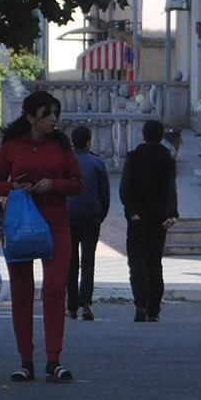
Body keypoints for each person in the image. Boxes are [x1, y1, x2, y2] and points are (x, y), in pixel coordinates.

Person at [0, 90, 82, 381]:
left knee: (55, 289)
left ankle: (53, 359)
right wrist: (13, 188)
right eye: (47, 114)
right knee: (22, 292)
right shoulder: (12, 146)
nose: (54, 119)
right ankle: (25, 360)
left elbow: (77, 182)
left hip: (55, 224)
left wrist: (52, 184)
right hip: (19, 224)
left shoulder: (61, 145)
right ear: (31, 117)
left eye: (56, 113)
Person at [119, 119, 179, 321]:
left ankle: (141, 304)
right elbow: (171, 188)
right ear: (161, 137)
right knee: (155, 262)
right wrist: (172, 213)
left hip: (138, 217)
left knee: (137, 262)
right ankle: (154, 308)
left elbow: (125, 186)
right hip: (159, 217)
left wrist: (131, 210)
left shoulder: (134, 157)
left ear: (143, 135)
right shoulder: (167, 158)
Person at [64, 125, 111, 322]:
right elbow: (105, 195)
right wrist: (100, 215)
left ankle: (71, 306)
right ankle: (86, 303)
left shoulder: (64, 162)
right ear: (89, 141)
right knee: (88, 261)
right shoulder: (96, 163)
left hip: (68, 218)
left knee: (71, 262)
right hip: (91, 218)